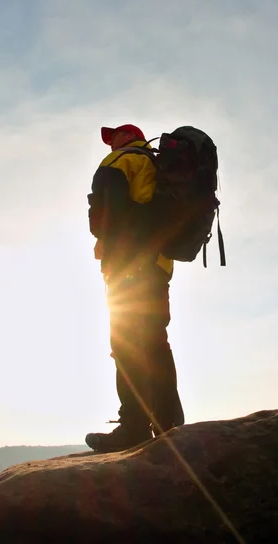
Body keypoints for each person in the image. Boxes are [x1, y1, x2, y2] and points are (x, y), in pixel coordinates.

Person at [85, 123, 184, 453]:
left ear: (128, 136)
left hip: (129, 265)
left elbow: (106, 212)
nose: (110, 141)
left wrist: (102, 238)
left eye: (114, 135)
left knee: (126, 343)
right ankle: (169, 422)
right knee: (155, 341)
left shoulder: (120, 161)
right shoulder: (155, 165)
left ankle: (134, 427)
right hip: (157, 266)